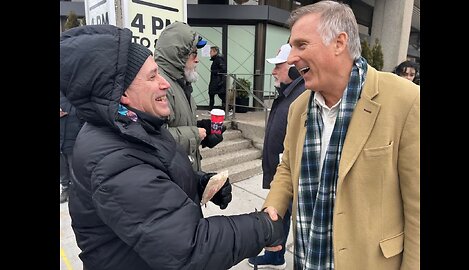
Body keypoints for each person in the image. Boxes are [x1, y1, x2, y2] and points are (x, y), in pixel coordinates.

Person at [60, 24, 285, 270]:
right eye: (152, 76)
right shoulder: (112, 159)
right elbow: (189, 249)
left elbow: (156, 183)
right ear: (122, 94)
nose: (164, 83)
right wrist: (262, 228)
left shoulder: (134, 127)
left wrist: (199, 184)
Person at [262, 1, 420, 270]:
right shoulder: (299, 107)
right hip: (308, 258)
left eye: (301, 45)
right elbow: (288, 166)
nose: (290, 58)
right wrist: (272, 210)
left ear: (339, 43)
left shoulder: (406, 100)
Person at [248, 43, 305, 270]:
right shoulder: (289, 93)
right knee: (280, 213)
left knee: (285, 215)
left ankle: (275, 254)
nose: (273, 71)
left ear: (292, 69)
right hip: (282, 172)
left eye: (278, 67)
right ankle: (275, 254)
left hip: (290, 174)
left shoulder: (301, 96)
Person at [154, 22, 225, 172]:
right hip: (170, 180)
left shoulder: (179, 83)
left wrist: (202, 129)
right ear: (179, 54)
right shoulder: (160, 85)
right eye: (194, 54)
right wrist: (195, 134)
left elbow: (176, 123)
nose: (197, 60)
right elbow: (153, 138)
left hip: (183, 174)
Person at [60, 92, 83, 203]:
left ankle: (77, 191)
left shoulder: (77, 94)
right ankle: (65, 188)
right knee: (62, 167)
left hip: (73, 137)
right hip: (61, 138)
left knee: (74, 167)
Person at [208, 46, 227, 112]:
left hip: (217, 81)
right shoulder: (216, 59)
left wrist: (214, 72)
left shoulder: (218, 59)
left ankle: (226, 108)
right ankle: (211, 109)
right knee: (212, 94)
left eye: (211, 51)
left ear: (215, 52)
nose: (210, 53)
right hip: (215, 80)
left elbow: (223, 69)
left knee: (219, 95)